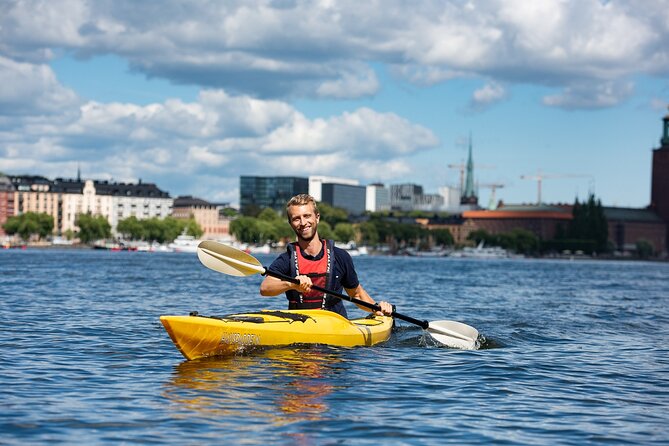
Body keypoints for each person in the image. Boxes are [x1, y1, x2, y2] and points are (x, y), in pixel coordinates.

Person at [260, 193, 393, 318]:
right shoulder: (287, 258)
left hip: (334, 328)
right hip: (299, 325)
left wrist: (376, 308)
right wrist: (292, 284)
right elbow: (265, 288)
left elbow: (357, 294)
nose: (302, 223)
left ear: (317, 217)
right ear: (291, 223)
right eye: (296, 218)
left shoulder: (340, 257)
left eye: (307, 216)